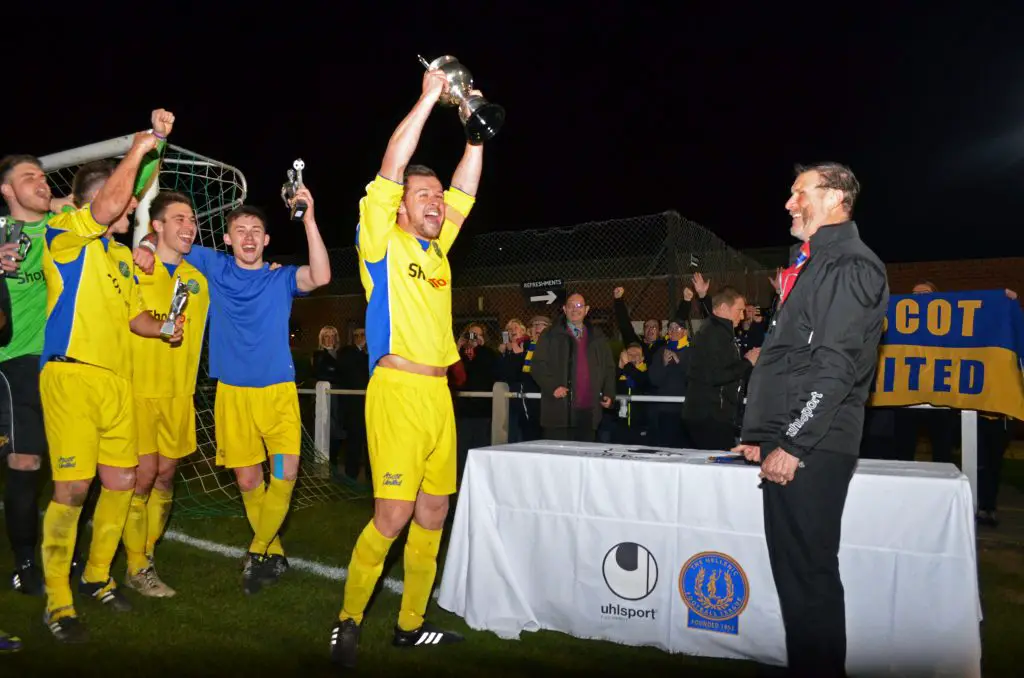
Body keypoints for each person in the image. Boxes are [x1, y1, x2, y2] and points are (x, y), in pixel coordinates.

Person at [329, 67, 484, 669]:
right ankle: (348, 619)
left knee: (433, 512)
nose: (437, 202)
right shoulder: (380, 243)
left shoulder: (437, 249)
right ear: (399, 209)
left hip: (439, 396)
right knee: (390, 515)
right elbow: (393, 165)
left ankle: (410, 624)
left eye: (438, 197)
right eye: (426, 197)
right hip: (395, 391)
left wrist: (473, 131)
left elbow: (467, 189)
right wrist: (427, 100)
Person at [733, 162, 888, 678]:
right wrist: (762, 435)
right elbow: (790, 359)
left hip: (815, 446)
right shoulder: (814, 262)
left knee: (810, 577)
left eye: (798, 193)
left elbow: (835, 366)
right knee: (795, 576)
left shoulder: (848, 264)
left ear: (835, 197)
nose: (788, 203)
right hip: (796, 438)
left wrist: (794, 444)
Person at [139, 182, 330, 595]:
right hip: (232, 397)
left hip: (278, 396)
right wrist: (145, 245)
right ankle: (271, 551)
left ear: (266, 240)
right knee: (248, 483)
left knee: (284, 474)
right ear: (227, 238)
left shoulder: (280, 280)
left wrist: (309, 219)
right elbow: (169, 236)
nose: (247, 237)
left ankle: (257, 550)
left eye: (255, 232)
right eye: (239, 230)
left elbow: (322, 275)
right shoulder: (214, 265)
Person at [38, 111, 186, 643]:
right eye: (126, 202)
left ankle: (98, 577)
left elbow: (132, 319)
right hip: (73, 377)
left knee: (122, 482)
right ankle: (58, 600)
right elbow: (105, 204)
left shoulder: (121, 258)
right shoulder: (66, 235)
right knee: (73, 488)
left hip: (118, 384)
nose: (131, 209)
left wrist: (163, 327)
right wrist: (139, 149)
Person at [120, 191, 209, 598]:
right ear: (156, 226)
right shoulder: (137, 269)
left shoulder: (198, 279)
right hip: (138, 391)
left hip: (179, 394)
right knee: (142, 478)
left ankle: (146, 553)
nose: (188, 226)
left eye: (191, 219)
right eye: (178, 219)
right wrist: (143, 247)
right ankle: (136, 565)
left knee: (166, 477)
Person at [0, 154, 80, 595]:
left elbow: (100, 205)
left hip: (65, 364)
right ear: (7, 191)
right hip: (16, 362)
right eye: (27, 177)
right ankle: (25, 562)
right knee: (26, 462)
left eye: (43, 176)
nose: (40, 182)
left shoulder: (60, 227)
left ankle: (67, 554)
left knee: (73, 468)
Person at [531, 293, 617, 442]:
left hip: (589, 414)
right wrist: (553, 387)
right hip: (559, 413)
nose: (574, 309)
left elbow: (609, 368)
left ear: (586, 309)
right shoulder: (550, 334)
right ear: (564, 309)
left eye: (579, 306)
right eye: (570, 305)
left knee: (584, 461)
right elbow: (538, 365)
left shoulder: (598, 337)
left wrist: (609, 393)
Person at [683, 286, 759, 450]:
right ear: (724, 309)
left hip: (713, 415)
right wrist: (747, 362)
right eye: (739, 310)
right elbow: (716, 375)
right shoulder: (714, 333)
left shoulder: (719, 331)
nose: (742, 315)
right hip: (710, 416)